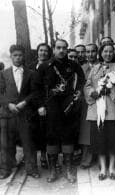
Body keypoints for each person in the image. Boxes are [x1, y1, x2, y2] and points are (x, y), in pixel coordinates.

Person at [38, 39, 85, 183]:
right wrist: (40, 105)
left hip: (68, 104)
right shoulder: (45, 66)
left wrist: (78, 92)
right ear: (54, 48)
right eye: (58, 48)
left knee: (68, 136)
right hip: (51, 105)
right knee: (51, 136)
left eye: (64, 48)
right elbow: (36, 87)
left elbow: (82, 79)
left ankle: (69, 169)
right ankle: (53, 170)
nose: (62, 51)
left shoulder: (73, 64)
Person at [0, 45, 40, 180]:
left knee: (28, 142)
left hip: (25, 113)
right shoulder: (3, 74)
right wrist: (9, 104)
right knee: (6, 143)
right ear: (11, 56)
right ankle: (5, 169)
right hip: (7, 114)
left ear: (23, 56)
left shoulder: (31, 73)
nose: (18, 57)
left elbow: (34, 92)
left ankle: (31, 169)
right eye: (15, 55)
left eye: (20, 55)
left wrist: (24, 102)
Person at [85, 43, 115, 180]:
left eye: (110, 51)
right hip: (98, 108)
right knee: (99, 140)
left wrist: (112, 90)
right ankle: (102, 168)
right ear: (101, 53)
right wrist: (92, 92)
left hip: (113, 107)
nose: (108, 54)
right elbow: (88, 85)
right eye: (105, 51)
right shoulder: (95, 68)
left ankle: (112, 167)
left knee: (113, 139)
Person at [29, 43, 52, 169]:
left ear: (49, 53)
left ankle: (44, 156)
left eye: (45, 51)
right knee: (33, 131)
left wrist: (43, 104)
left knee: (45, 131)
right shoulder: (31, 67)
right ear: (37, 52)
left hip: (45, 104)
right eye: (40, 50)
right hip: (32, 104)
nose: (43, 53)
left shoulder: (51, 66)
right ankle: (31, 159)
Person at [79, 43, 99, 169]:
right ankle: (87, 158)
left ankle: (100, 157)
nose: (90, 54)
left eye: (93, 51)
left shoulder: (102, 66)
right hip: (87, 103)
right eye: (88, 52)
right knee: (87, 131)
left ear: (97, 52)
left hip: (101, 101)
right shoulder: (81, 68)